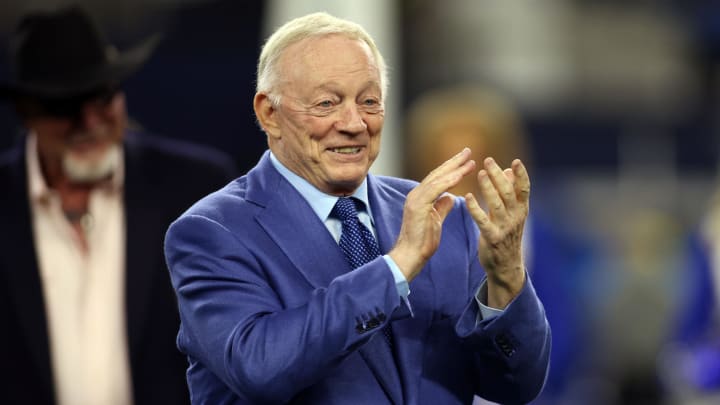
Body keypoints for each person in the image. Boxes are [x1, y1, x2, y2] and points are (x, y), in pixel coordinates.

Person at [164, 12, 550, 405]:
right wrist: (395, 268)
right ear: (269, 113)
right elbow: (260, 367)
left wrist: (505, 280)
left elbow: (516, 386)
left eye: (368, 101)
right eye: (327, 103)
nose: (353, 123)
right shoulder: (212, 232)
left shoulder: (446, 218)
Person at [0, 6, 236, 405]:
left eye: (103, 97)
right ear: (27, 112)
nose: (90, 121)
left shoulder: (197, 188)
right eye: (67, 106)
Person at [404, 85, 595, 404]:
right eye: (445, 165)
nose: (459, 183)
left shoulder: (537, 237)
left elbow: (561, 337)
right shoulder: (400, 229)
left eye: (472, 165)